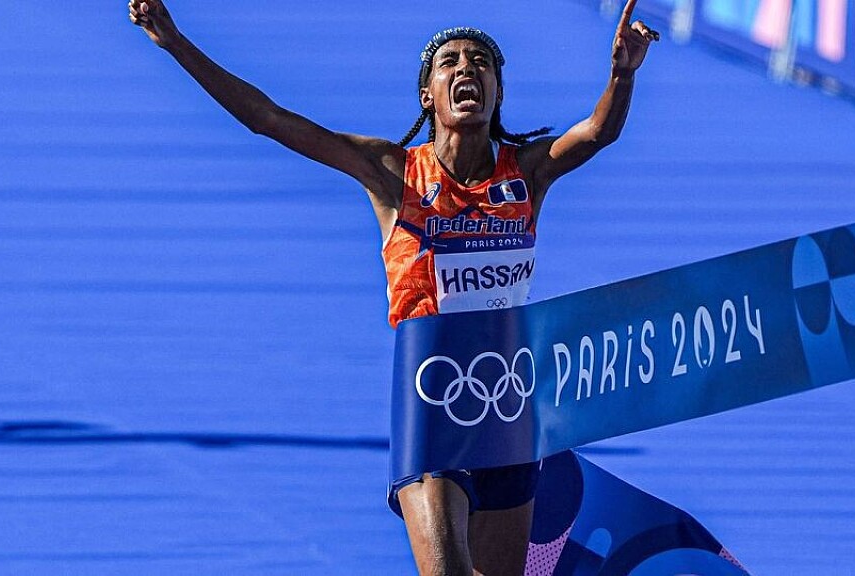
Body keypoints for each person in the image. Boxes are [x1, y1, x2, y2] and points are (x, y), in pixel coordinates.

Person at [129, 1, 657, 574]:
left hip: (506, 403)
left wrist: (622, 75)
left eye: (481, 62)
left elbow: (597, 132)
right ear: (428, 95)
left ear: (498, 92)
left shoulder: (526, 172)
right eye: (450, 62)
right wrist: (176, 43)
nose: (467, 68)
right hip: (433, 399)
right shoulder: (394, 172)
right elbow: (269, 119)